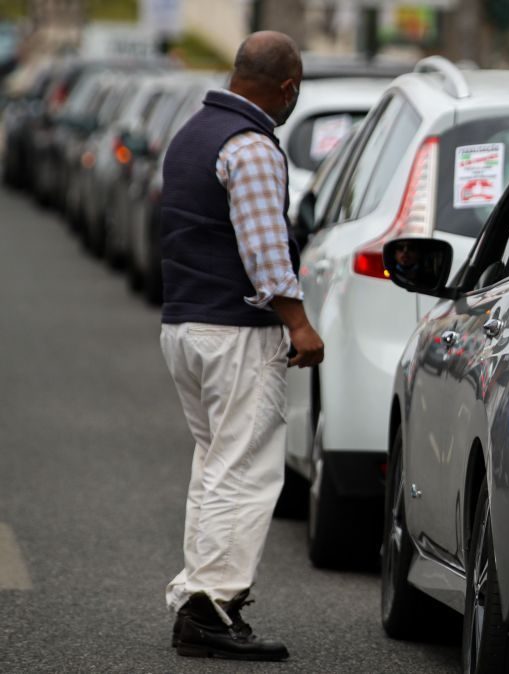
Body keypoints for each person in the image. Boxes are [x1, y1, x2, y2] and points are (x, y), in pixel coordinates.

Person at [158, 30, 324, 661]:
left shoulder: (192, 132)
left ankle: (200, 598)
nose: (293, 101)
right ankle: (211, 607)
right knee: (246, 469)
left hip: (185, 325)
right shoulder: (250, 146)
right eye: (297, 90)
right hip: (234, 331)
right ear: (286, 87)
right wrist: (299, 323)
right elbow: (264, 250)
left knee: (215, 463)